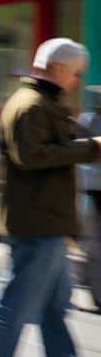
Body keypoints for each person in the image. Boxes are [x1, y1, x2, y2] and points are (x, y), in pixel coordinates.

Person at [0, 38, 101, 357]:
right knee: (17, 301)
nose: (76, 81)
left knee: (54, 304)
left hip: (46, 221)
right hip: (37, 223)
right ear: (59, 69)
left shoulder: (39, 103)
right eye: (75, 74)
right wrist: (93, 147)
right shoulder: (31, 106)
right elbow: (33, 156)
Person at [76, 89, 101, 309]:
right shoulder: (87, 120)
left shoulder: (86, 119)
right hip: (91, 189)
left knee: (93, 242)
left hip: (91, 186)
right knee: (93, 242)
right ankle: (96, 292)